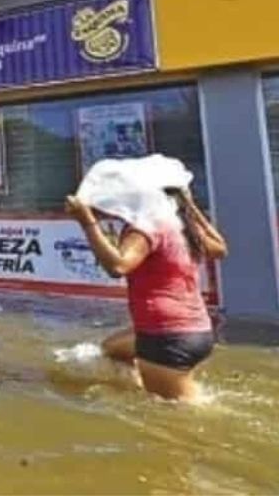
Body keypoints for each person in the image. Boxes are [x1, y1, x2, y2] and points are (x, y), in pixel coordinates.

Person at [65, 162, 227, 401]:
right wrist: (191, 207)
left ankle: (159, 382)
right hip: (198, 331)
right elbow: (221, 249)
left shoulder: (146, 229)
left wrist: (87, 222)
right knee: (113, 349)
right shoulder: (182, 227)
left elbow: (118, 266)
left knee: (180, 416)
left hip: (167, 337)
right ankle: (145, 383)